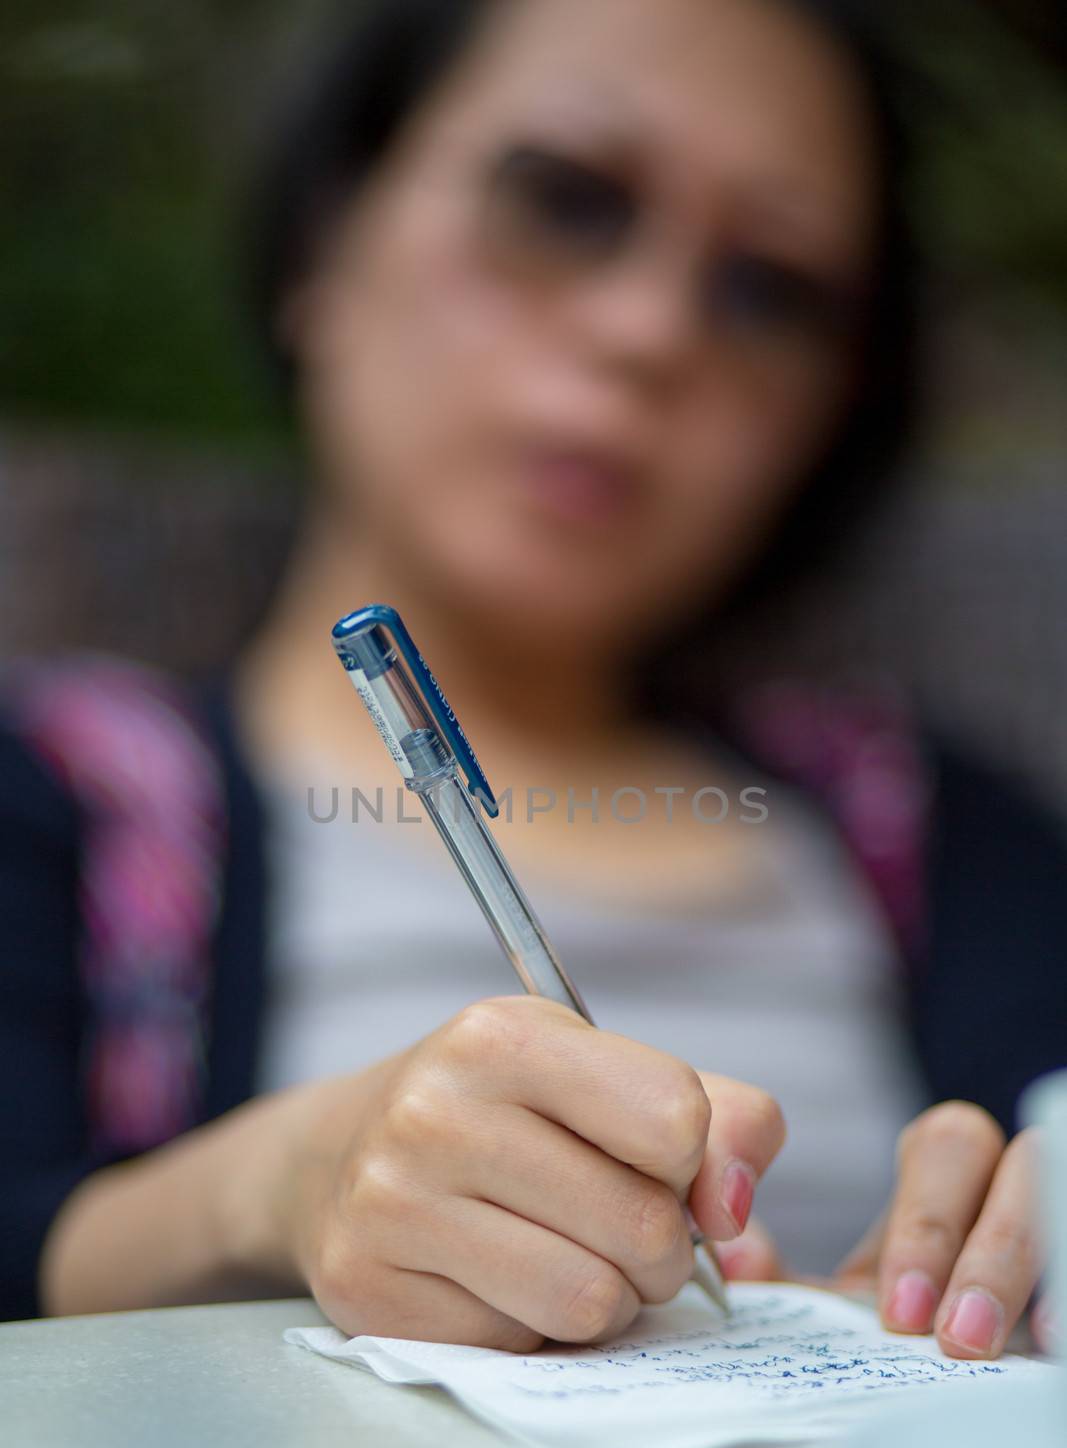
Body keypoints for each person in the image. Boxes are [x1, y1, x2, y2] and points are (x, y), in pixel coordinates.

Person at [2, 0, 1063, 1357]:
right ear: (328, 237)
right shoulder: (57, 802)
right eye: (565, 200)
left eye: (771, 286)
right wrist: (266, 1192)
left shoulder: (955, 830)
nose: (648, 329)